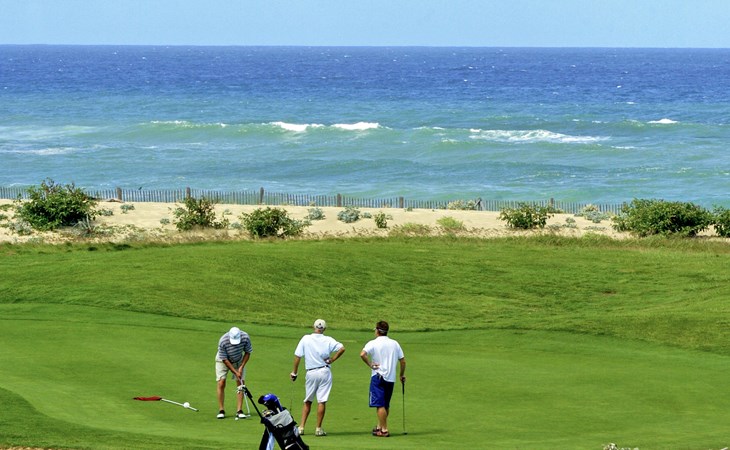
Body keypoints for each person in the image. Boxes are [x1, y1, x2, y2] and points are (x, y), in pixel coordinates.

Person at [290, 319, 346, 437]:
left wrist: (294, 372)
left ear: (313, 327)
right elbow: (342, 348)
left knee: (308, 400)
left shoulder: (306, 338)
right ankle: (318, 429)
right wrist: (332, 359)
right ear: (324, 329)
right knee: (321, 401)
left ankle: (301, 427)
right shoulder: (328, 339)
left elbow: (297, 356)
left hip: (311, 372)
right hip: (325, 371)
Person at [360, 320, 406, 438]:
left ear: (377, 331)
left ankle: (384, 430)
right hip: (390, 378)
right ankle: (379, 426)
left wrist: (370, 364)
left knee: (380, 405)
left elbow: (362, 354)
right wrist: (401, 375)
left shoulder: (373, 343)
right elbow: (402, 361)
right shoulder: (395, 343)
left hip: (378, 376)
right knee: (385, 404)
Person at [215, 326, 253, 419]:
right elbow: (224, 360)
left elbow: (248, 352)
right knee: (221, 382)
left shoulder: (245, 337)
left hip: (238, 360)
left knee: (240, 384)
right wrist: (235, 372)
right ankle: (221, 410)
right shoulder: (223, 340)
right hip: (222, 360)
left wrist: (241, 367)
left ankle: (239, 410)